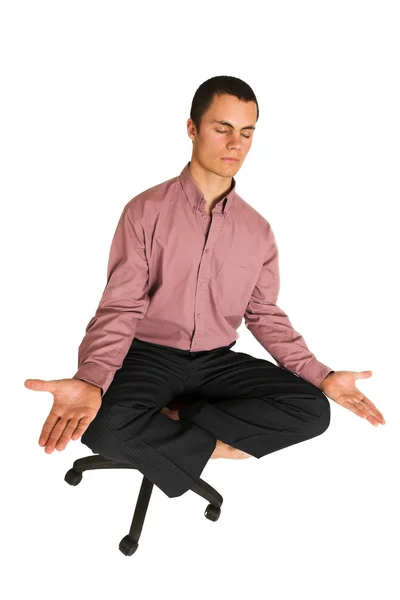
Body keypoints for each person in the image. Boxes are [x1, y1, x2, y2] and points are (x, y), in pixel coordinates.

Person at [25, 75, 385, 499]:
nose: (236, 144)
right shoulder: (145, 212)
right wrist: (91, 379)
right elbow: (120, 307)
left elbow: (264, 315)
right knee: (100, 423)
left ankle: (165, 433)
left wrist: (320, 375)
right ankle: (207, 445)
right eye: (223, 128)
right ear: (192, 129)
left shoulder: (258, 231)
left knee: (312, 411)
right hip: (148, 356)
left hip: (216, 362)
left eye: (247, 133)